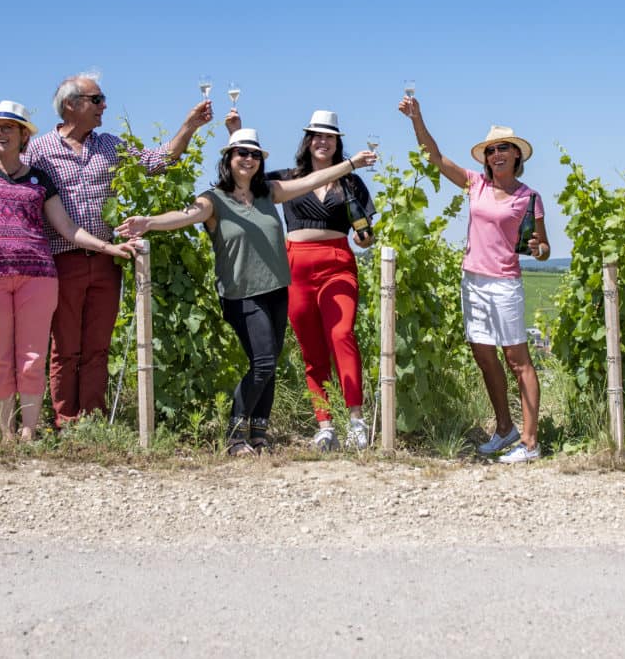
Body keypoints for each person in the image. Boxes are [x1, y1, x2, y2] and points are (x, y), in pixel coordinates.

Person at [115, 128, 377, 454]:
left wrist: (350, 164)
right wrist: (150, 222)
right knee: (265, 362)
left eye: (255, 155)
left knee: (268, 361)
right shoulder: (213, 199)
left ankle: (258, 434)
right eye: (242, 153)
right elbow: (185, 216)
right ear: (228, 158)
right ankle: (236, 433)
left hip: (278, 290)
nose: (249, 160)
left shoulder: (268, 192)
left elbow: (310, 182)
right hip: (241, 294)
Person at [0, 102, 136, 442]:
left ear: (24, 136)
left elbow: (67, 228)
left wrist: (110, 248)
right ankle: (6, 433)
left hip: (38, 277)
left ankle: (29, 432)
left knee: (32, 357)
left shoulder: (40, 179)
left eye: (7, 127)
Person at [24, 72, 212, 429]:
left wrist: (189, 126)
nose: (104, 106)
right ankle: (65, 422)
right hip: (61, 258)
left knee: (97, 346)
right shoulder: (38, 149)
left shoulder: (110, 145)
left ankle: (92, 422)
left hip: (109, 258)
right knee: (65, 347)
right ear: (70, 105)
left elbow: (159, 162)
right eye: (96, 100)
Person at [398, 98, 550, 463]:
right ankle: (504, 429)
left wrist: (538, 249)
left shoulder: (529, 198)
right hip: (473, 283)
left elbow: (543, 248)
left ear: (517, 155)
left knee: (518, 359)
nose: (496, 154)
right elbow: (434, 157)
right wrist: (417, 118)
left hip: (504, 284)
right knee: (484, 356)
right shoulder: (474, 185)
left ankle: (530, 443)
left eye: (504, 148)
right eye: (491, 149)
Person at [267, 110, 376, 451]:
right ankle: (325, 425)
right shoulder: (287, 177)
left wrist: (365, 239)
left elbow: (366, 231)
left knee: (342, 335)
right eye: (317, 135)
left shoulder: (351, 182)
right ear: (308, 140)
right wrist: (235, 133)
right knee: (311, 349)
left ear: (337, 142)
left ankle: (356, 421)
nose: (323, 141)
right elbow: (244, 178)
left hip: (337, 262)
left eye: (329, 136)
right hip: (296, 266)